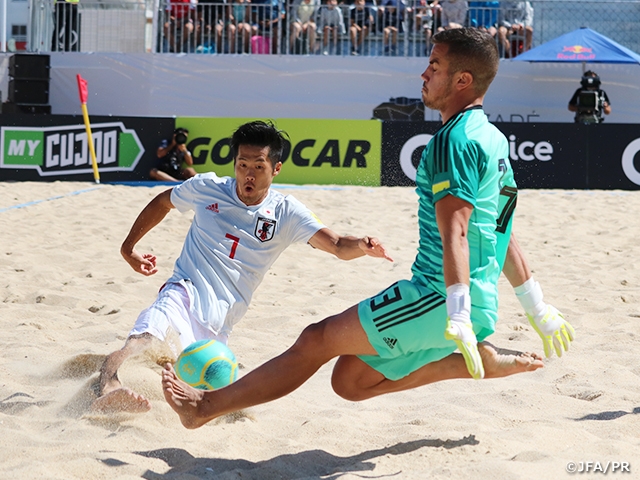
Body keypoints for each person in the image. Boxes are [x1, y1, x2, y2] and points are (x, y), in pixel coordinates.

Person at [161, 28, 574, 429]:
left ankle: (204, 405)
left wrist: (458, 312)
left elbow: (459, 231)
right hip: (471, 305)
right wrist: (538, 309)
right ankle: (469, 361)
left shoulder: (454, 140)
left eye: (435, 65)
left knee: (316, 340)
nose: (424, 74)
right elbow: (502, 232)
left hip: (439, 299)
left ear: (463, 79)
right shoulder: (493, 138)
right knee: (351, 382)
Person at [92, 120, 392, 413]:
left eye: (258, 167)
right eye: (242, 164)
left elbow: (338, 244)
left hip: (220, 323)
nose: (248, 174)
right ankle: (108, 387)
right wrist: (128, 247)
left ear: (276, 169)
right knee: (142, 341)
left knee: (210, 397)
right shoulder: (207, 187)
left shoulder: (286, 212)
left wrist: (363, 246)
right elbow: (163, 201)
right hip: (184, 294)